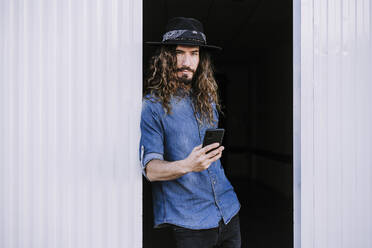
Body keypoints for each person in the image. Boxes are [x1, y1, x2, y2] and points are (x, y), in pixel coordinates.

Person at [140, 17, 241, 248]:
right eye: (179, 53)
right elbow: (151, 170)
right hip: (189, 224)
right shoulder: (153, 106)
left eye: (194, 53)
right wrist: (188, 165)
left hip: (228, 211)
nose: (187, 61)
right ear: (166, 57)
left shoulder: (207, 99)